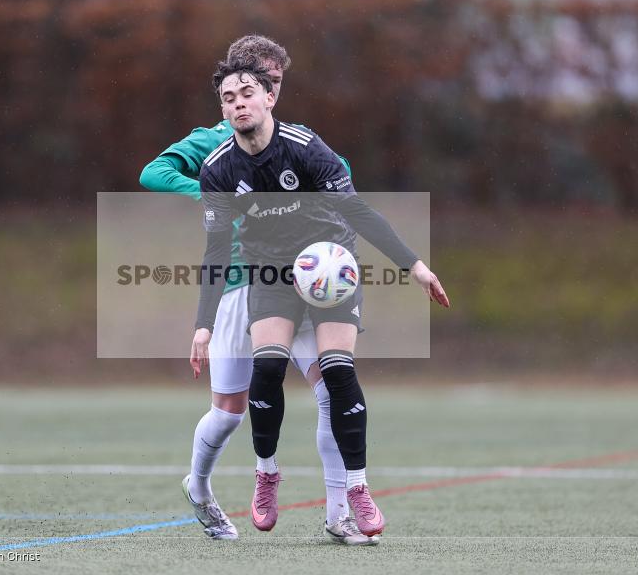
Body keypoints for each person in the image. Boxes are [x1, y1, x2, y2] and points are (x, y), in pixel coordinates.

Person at [192, 58, 450, 538]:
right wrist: (203, 324)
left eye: (247, 92)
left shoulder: (306, 149)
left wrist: (415, 266)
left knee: (337, 372)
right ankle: (266, 472)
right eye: (228, 98)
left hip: (330, 268)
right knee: (267, 367)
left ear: (270, 97)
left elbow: (356, 209)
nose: (238, 102)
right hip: (269, 274)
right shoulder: (219, 169)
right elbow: (214, 250)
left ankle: (358, 487)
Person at [140, 36, 374, 545]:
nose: (270, 91)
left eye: (276, 84)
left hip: (296, 281)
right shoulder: (213, 144)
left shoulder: (293, 138)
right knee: (229, 412)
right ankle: (199, 488)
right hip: (240, 286)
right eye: (259, 81)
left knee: (332, 391)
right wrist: (211, 195)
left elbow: (340, 182)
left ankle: (340, 514)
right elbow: (152, 172)